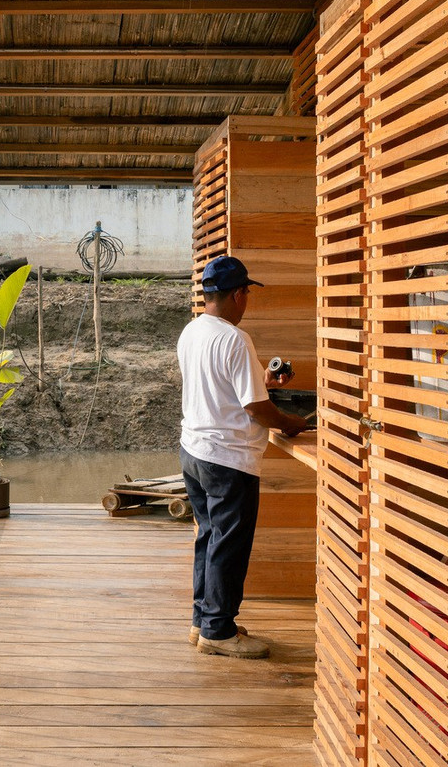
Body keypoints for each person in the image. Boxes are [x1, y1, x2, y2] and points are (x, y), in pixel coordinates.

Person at [178, 255, 307, 659]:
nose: (247, 299)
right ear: (237, 295)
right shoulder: (235, 339)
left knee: (210, 538)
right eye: (247, 292)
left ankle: (204, 621)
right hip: (227, 460)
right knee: (228, 546)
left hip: (195, 451)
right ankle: (219, 632)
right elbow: (255, 409)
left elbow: (227, 388)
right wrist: (289, 423)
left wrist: (266, 380)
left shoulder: (193, 331)